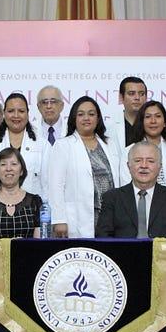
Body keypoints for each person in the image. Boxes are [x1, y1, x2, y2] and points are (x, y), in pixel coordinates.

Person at [45, 96, 125, 238]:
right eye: (80, 114)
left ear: (98, 118)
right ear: (74, 119)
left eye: (91, 114)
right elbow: (55, 186)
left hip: (109, 216)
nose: (86, 118)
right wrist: (59, 219)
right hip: (77, 218)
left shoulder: (110, 144)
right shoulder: (63, 145)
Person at [96, 142, 166, 240]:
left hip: (163, 254)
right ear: (128, 166)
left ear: (159, 167)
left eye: (150, 161)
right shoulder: (112, 198)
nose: (144, 165)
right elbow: (102, 236)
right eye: (138, 161)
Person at [0, 93, 47, 199]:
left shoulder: (43, 145)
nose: (16, 115)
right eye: (11, 111)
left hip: (32, 210)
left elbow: (48, 186)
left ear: (28, 114)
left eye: (21, 111)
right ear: (4, 114)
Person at [0, 147, 42, 240]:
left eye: (14, 164)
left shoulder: (35, 202)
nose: (8, 169)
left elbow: (39, 245)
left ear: (21, 171)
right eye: (3, 164)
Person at [129, 100, 166, 195]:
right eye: (148, 117)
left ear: (165, 122)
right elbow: (126, 186)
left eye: (158, 116)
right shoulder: (130, 150)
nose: (153, 121)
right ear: (142, 122)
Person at [108, 76, 148, 149]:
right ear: (121, 97)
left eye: (141, 94)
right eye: (131, 93)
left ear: (146, 98)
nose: (137, 98)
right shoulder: (109, 127)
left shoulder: (153, 124)